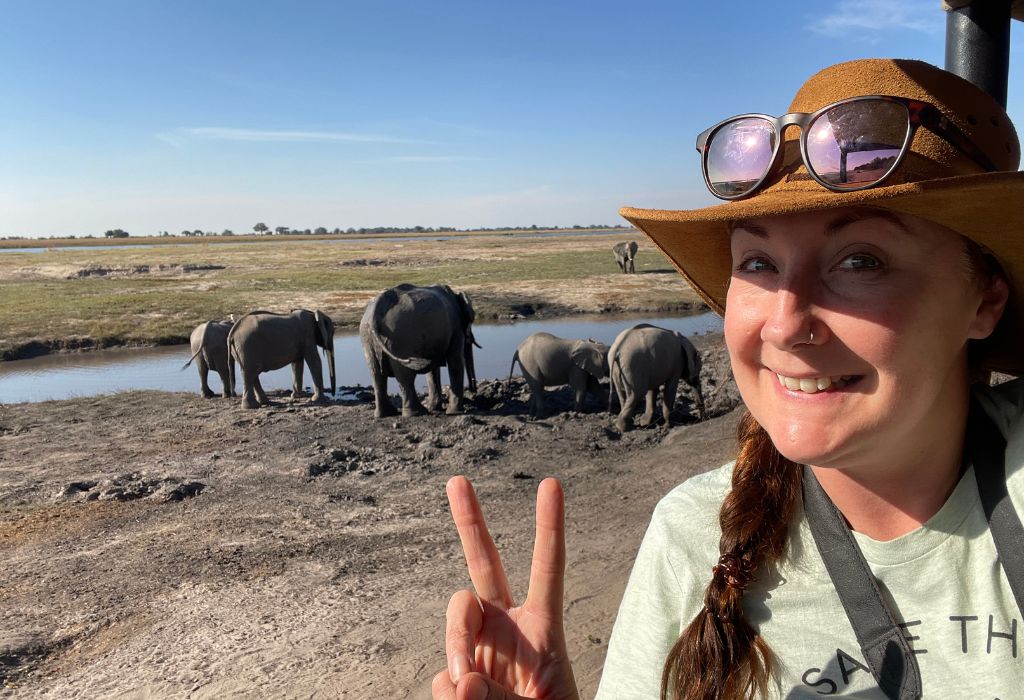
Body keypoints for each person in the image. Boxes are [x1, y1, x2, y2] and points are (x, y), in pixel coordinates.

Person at [431, 57, 1024, 700]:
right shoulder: (691, 535)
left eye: (861, 261)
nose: (783, 324)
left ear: (986, 300)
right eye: (759, 262)